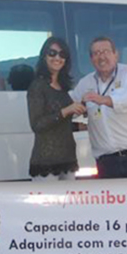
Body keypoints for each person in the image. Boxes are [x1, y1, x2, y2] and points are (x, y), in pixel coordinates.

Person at [70, 36, 127, 178]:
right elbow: (69, 105)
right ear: (91, 59)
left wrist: (103, 100)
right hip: (107, 162)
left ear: (116, 54)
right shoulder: (85, 83)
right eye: (96, 53)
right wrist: (76, 109)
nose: (101, 56)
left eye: (106, 51)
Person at [26, 37, 85, 181]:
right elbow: (37, 125)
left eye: (62, 54)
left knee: (69, 203)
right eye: (52, 53)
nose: (57, 57)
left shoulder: (63, 87)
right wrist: (66, 110)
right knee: (47, 203)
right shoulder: (37, 86)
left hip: (68, 159)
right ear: (44, 56)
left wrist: (83, 121)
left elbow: (64, 124)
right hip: (46, 162)